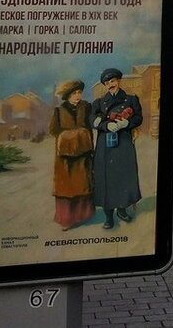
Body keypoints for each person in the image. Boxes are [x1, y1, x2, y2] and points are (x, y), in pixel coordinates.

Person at [90, 67, 142, 230]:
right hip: (106, 145)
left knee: (123, 176)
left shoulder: (131, 99)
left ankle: (122, 209)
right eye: (107, 83)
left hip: (124, 143)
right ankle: (108, 216)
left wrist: (128, 123)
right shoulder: (99, 103)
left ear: (118, 81)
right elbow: (92, 120)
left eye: (112, 81)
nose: (110, 85)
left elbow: (139, 117)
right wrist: (107, 125)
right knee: (106, 179)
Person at [49, 79, 95, 229]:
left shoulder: (86, 107)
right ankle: (66, 220)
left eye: (79, 92)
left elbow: (90, 125)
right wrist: (71, 136)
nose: (77, 96)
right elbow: (53, 130)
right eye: (74, 93)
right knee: (66, 187)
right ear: (67, 96)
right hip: (65, 157)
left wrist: (84, 138)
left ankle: (83, 215)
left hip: (83, 153)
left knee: (82, 184)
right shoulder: (59, 110)